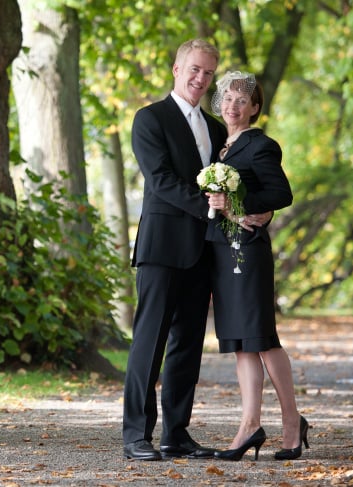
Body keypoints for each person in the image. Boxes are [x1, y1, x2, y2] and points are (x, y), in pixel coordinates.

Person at [122, 38, 226, 462]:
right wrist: (207, 207)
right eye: (195, 70)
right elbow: (160, 180)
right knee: (149, 343)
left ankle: (176, 434)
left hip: (203, 251)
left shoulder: (217, 130)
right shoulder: (150, 119)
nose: (201, 78)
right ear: (176, 70)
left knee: (187, 346)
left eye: (208, 73)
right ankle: (135, 435)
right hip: (162, 249)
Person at [206, 71, 309, 461]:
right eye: (227, 98)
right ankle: (250, 425)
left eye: (241, 100)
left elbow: (281, 193)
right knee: (240, 343)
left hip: (247, 250)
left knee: (263, 337)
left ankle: (291, 421)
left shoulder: (260, 145)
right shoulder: (220, 145)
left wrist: (240, 207)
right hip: (220, 251)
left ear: (254, 108)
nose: (232, 106)